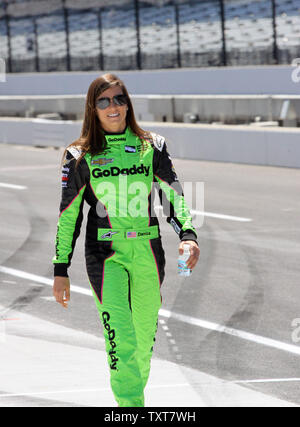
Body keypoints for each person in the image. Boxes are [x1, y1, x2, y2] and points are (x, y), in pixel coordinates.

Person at [52, 73, 200, 407]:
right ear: (93, 107)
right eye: (103, 101)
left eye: (119, 99)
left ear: (127, 103)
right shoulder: (79, 154)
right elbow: (69, 215)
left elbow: (172, 194)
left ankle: (133, 399)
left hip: (148, 251)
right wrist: (60, 268)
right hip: (105, 256)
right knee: (121, 339)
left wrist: (187, 234)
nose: (113, 107)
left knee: (144, 338)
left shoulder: (153, 145)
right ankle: (131, 409)